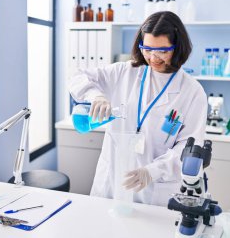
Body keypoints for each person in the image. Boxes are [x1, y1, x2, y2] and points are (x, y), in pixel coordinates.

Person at [68, 11, 207, 206]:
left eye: (162, 51)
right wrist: (95, 96)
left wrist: (152, 171)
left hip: (155, 191)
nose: (153, 57)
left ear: (178, 48)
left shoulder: (192, 92)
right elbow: (77, 76)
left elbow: (189, 148)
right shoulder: (125, 72)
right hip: (111, 184)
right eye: (147, 49)